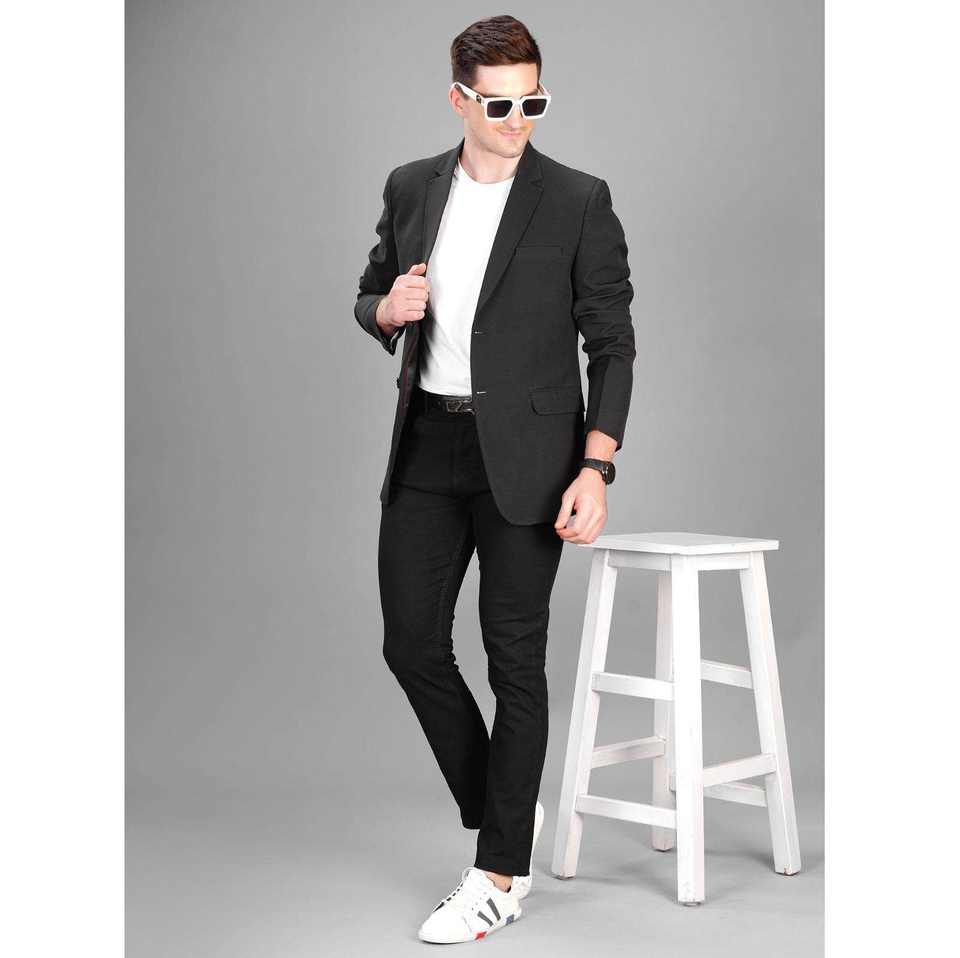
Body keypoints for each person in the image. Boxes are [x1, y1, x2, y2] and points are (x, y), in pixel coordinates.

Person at [353, 14, 636, 944]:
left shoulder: (577, 199)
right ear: (459, 100)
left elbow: (613, 344)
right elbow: (371, 290)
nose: (519, 121)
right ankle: (505, 809)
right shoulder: (411, 186)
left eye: (533, 103)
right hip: (428, 448)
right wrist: (385, 309)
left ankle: (499, 876)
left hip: (531, 458)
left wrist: (596, 465)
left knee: (515, 661)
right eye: (501, 105)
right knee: (410, 645)